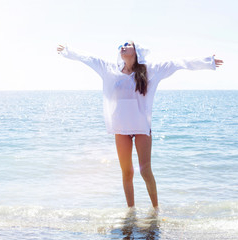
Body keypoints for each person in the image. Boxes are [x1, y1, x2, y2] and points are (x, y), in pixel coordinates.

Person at [57, 41, 223, 210]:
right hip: (121, 129)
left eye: (127, 45)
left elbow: (177, 63)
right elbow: (89, 58)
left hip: (142, 128)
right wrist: (68, 51)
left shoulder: (150, 71)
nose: (123, 46)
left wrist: (207, 61)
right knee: (127, 172)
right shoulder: (110, 69)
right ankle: (131, 212)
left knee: (145, 171)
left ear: (137, 52)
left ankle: (155, 209)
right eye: (121, 45)